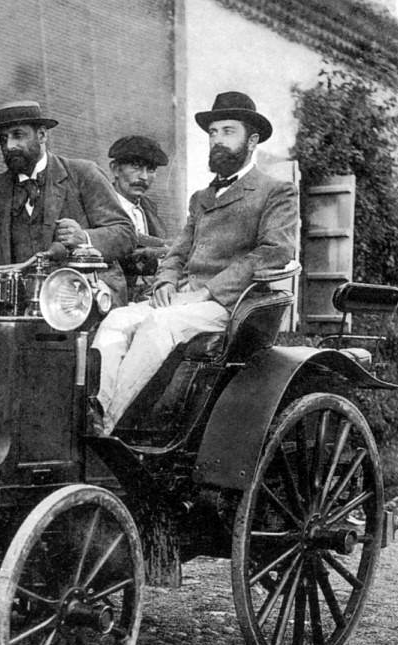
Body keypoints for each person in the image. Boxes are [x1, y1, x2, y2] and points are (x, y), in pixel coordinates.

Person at [92, 91, 299, 434]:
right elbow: (178, 251)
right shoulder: (201, 198)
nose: (217, 140)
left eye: (228, 131)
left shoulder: (275, 191)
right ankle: (98, 410)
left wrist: (207, 293)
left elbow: (274, 252)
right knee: (117, 319)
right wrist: (165, 282)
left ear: (253, 140)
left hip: (229, 305)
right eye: (213, 132)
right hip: (184, 298)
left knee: (159, 326)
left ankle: (112, 428)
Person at [0, 100, 134, 299]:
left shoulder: (83, 174)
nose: (9, 146)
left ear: (42, 135)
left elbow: (125, 234)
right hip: (15, 302)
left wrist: (84, 239)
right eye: (3, 139)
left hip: (81, 298)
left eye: (18, 135)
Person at [107, 135, 172, 302]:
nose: (143, 177)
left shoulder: (150, 210)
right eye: (136, 166)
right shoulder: (99, 207)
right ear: (115, 169)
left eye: (150, 169)